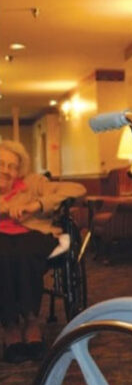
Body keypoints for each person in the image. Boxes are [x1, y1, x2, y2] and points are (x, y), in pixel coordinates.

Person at [0, 140, 86, 364]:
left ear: (19, 170)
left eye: (12, 166)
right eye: (1, 163)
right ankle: (10, 327)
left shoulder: (33, 183)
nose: (6, 170)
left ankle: (31, 323)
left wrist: (36, 205)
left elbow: (77, 189)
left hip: (33, 233)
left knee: (25, 254)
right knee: (4, 255)